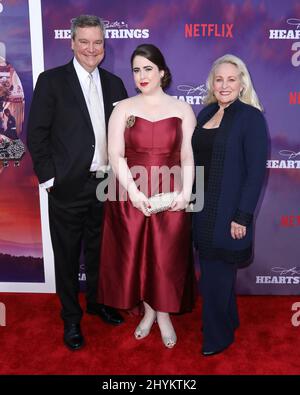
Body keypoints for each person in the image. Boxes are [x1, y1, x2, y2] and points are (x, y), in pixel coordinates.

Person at [27, 15, 128, 351]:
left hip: (105, 186)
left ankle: (98, 303)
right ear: (71, 43)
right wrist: (51, 179)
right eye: (83, 41)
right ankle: (71, 318)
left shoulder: (115, 84)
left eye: (97, 42)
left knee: (102, 252)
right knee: (68, 257)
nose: (91, 48)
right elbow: (36, 135)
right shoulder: (51, 81)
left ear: (104, 45)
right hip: (67, 186)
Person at [97, 44, 197, 348]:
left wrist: (185, 193)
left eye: (148, 68)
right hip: (129, 193)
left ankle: (163, 314)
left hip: (172, 193)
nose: (142, 75)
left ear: (162, 72)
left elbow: (188, 157)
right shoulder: (123, 108)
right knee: (138, 257)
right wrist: (136, 194)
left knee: (166, 257)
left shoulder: (182, 110)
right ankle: (148, 313)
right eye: (136, 70)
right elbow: (114, 155)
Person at [192, 54, 268, 356]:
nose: (224, 85)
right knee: (214, 275)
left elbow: (255, 173)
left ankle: (217, 336)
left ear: (242, 83)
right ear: (212, 82)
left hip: (228, 214)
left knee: (215, 278)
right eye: (219, 79)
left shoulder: (251, 117)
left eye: (231, 79)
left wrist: (242, 216)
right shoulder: (205, 113)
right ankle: (228, 320)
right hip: (201, 211)